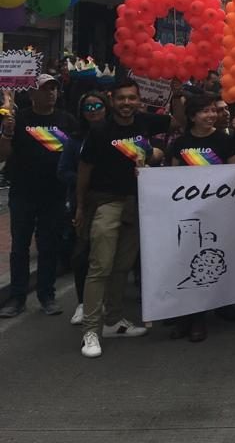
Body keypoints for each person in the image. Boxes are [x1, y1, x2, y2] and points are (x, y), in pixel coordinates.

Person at [75, 79, 170, 358]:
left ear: (139, 100)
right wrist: (80, 207)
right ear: (111, 100)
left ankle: (113, 320)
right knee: (100, 266)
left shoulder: (144, 122)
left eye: (132, 98)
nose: (127, 103)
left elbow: (175, 124)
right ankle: (91, 330)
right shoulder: (100, 130)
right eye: (121, 99)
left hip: (137, 204)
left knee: (122, 265)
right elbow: (84, 170)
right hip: (107, 203)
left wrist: (175, 92)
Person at [0, 75, 77, 318]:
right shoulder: (18, 119)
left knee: (48, 246)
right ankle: (17, 297)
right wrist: (7, 133)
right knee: (19, 247)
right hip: (22, 192)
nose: (51, 93)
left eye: (54, 89)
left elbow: (76, 154)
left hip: (54, 194)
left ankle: (47, 295)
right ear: (33, 94)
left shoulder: (67, 120)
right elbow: (4, 155)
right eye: (45, 89)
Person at [165, 93, 235, 341]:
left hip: (216, 213)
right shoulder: (179, 144)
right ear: (192, 116)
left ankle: (201, 316)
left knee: (207, 263)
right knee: (186, 262)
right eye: (205, 111)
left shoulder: (225, 141)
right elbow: (172, 180)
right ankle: (186, 315)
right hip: (187, 215)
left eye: (213, 111)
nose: (211, 115)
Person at [58, 91, 109, 325]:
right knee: (81, 255)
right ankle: (82, 303)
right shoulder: (74, 140)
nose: (94, 111)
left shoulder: (115, 135)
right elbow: (63, 171)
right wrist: (83, 179)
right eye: (88, 107)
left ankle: (105, 300)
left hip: (110, 200)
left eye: (98, 106)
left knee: (108, 255)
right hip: (82, 204)